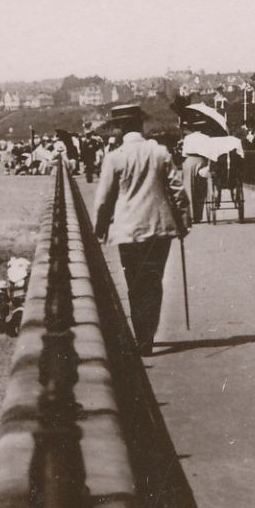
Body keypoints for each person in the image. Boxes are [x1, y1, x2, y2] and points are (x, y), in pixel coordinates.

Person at [92, 102, 188, 356]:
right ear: (140, 124)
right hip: (160, 226)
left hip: (128, 229)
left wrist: (100, 228)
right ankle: (148, 335)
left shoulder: (114, 158)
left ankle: (141, 337)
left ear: (120, 129)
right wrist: (184, 221)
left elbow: (104, 199)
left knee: (134, 282)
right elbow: (177, 190)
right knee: (153, 280)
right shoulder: (160, 152)